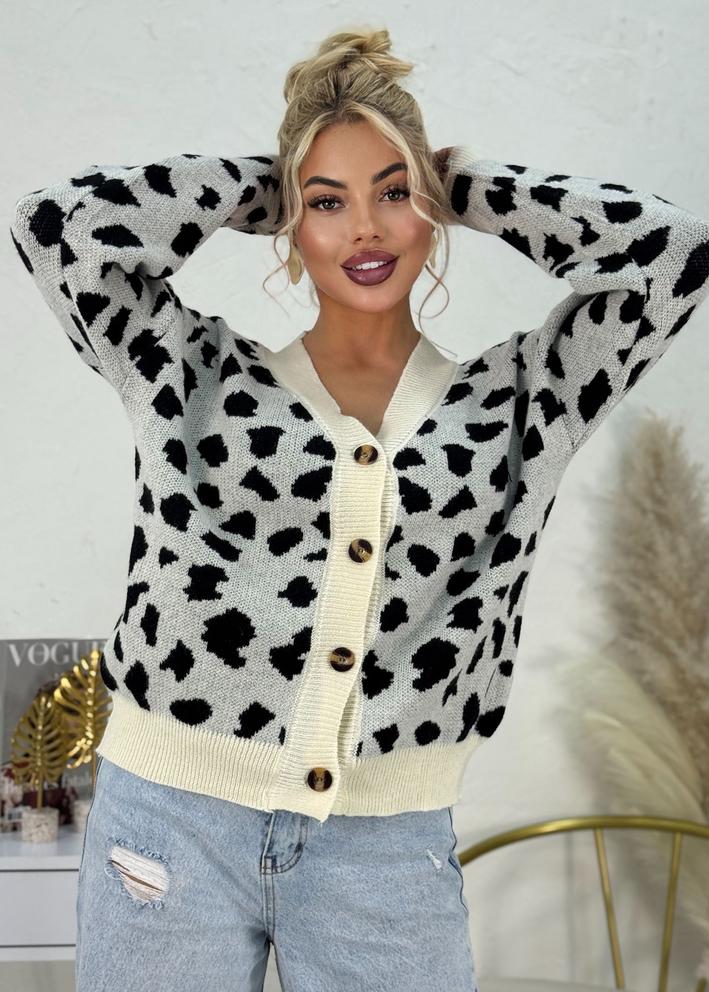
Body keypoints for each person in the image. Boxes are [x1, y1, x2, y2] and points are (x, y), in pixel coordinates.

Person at [9, 25, 709, 992]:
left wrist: (461, 186)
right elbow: (56, 225)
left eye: (393, 193)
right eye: (327, 203)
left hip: (386, 849)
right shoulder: (190, 374)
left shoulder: (523, 404)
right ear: (290, 225)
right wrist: (264, 185)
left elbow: (671, 254)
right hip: (169, 824)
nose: (365, 230)